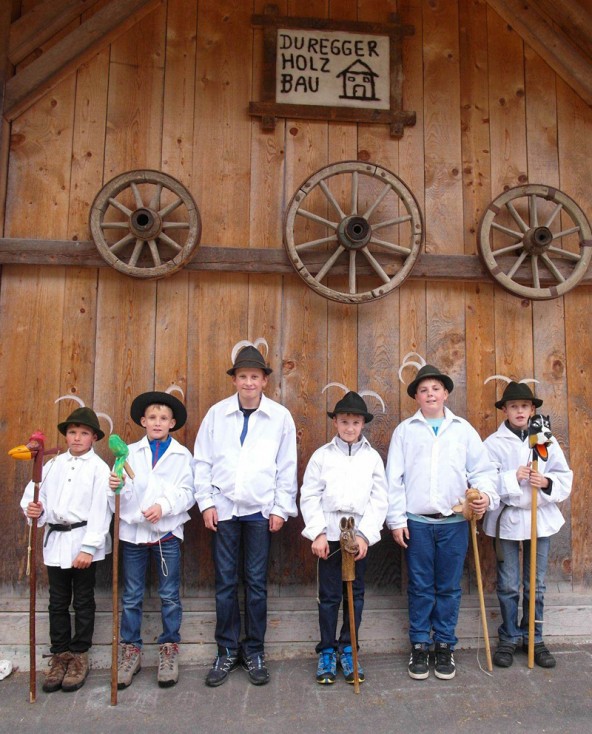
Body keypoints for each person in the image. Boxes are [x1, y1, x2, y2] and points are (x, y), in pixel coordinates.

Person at [194, 344, 298, 687]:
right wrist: (206, 503)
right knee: (225, 583)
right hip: (224, 510)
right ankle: (226, 650)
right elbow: (203, 462)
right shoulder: (216, 415)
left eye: (255, 376)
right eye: (243, 377)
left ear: (265, 381)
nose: (248, 382)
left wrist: (281, 507)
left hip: (259, 512)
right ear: (235, 380)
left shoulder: (279, 417)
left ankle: (254, 650)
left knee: (255, 584)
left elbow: (286, 467)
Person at [386, 364, 498, 680]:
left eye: (436, 388)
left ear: (445, 393)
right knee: (421, 586)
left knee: (448, 587)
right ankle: (420, 644)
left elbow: (483, 471)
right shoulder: (405, 431)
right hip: (417, 523)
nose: (430, 394)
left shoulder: (462, 430)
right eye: (424, 390)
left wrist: (485, 497)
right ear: (417, 397)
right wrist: (396, 520)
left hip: (454, 523)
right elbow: (393, 478)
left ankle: (445, 644)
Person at [20, 407, 112, 693]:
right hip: (57, 541)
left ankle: (79, 654)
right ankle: (60, 655)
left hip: (83, 540)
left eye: (84, 433)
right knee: (57, 600)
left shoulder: (99, 469)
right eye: (72, 432)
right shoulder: (51, 466)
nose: (77, 438)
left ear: (94, 438)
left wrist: (88, 547)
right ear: (66, 435)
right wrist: (35, 510)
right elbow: (34, 496)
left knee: (83, 599)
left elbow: (101, 509)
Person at [300, 391, 388, 685]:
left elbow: (379, 499)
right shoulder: (322, 456)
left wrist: (365, 535)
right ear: (335, 422)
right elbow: (310, 495)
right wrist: (318, 532)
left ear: (363, 424)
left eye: (355, 422)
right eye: (344, 421)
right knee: (329, 596)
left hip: (357, 536)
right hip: (330, 535)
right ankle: (326, 649)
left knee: (355, 594)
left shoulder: (371, 458)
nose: (349, 427)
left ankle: (349, 648)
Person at [483, 381, 573, 669]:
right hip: (508, 519)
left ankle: (534, 637)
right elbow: (483, 480)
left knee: (536, 584)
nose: (519, 411)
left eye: (524, 406)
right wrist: (512, 477)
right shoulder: (493, 444)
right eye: (513, 406)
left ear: (532, 409)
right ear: (505, 410)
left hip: (538, 519)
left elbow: (563, 475)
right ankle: (509, 636)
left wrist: (545, 481)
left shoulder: (543, 438)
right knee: (509, 584)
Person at [108, 391, 194, 689]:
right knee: (131, 596)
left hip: (165, 537)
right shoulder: (128, 453)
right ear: (143, 421)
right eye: (152, 418)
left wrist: (164, 506)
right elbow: (117, 498)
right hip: (133, 537)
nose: (158, 423)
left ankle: (169, 648)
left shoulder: (182, 456)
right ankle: (130, 649)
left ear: (172, 423)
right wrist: (116, 488)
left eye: (164, 418)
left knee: (169, 595)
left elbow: (187, 493)